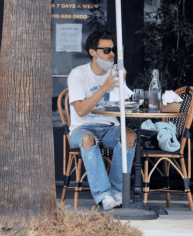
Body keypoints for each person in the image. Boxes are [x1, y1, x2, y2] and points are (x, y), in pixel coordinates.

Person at [67, 28, 136, 210]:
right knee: (88, 140)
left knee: (129, 136)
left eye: (113, 50)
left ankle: (117, 191)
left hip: (109, 126)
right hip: (82, 128)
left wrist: (122, 85)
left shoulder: (115, 73)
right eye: (106, 50)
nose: (112, 54)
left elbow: (124, 105)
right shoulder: (78, 74)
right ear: (92, 52)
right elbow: (81, 111)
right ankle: (104, 195)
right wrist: (104, 87)